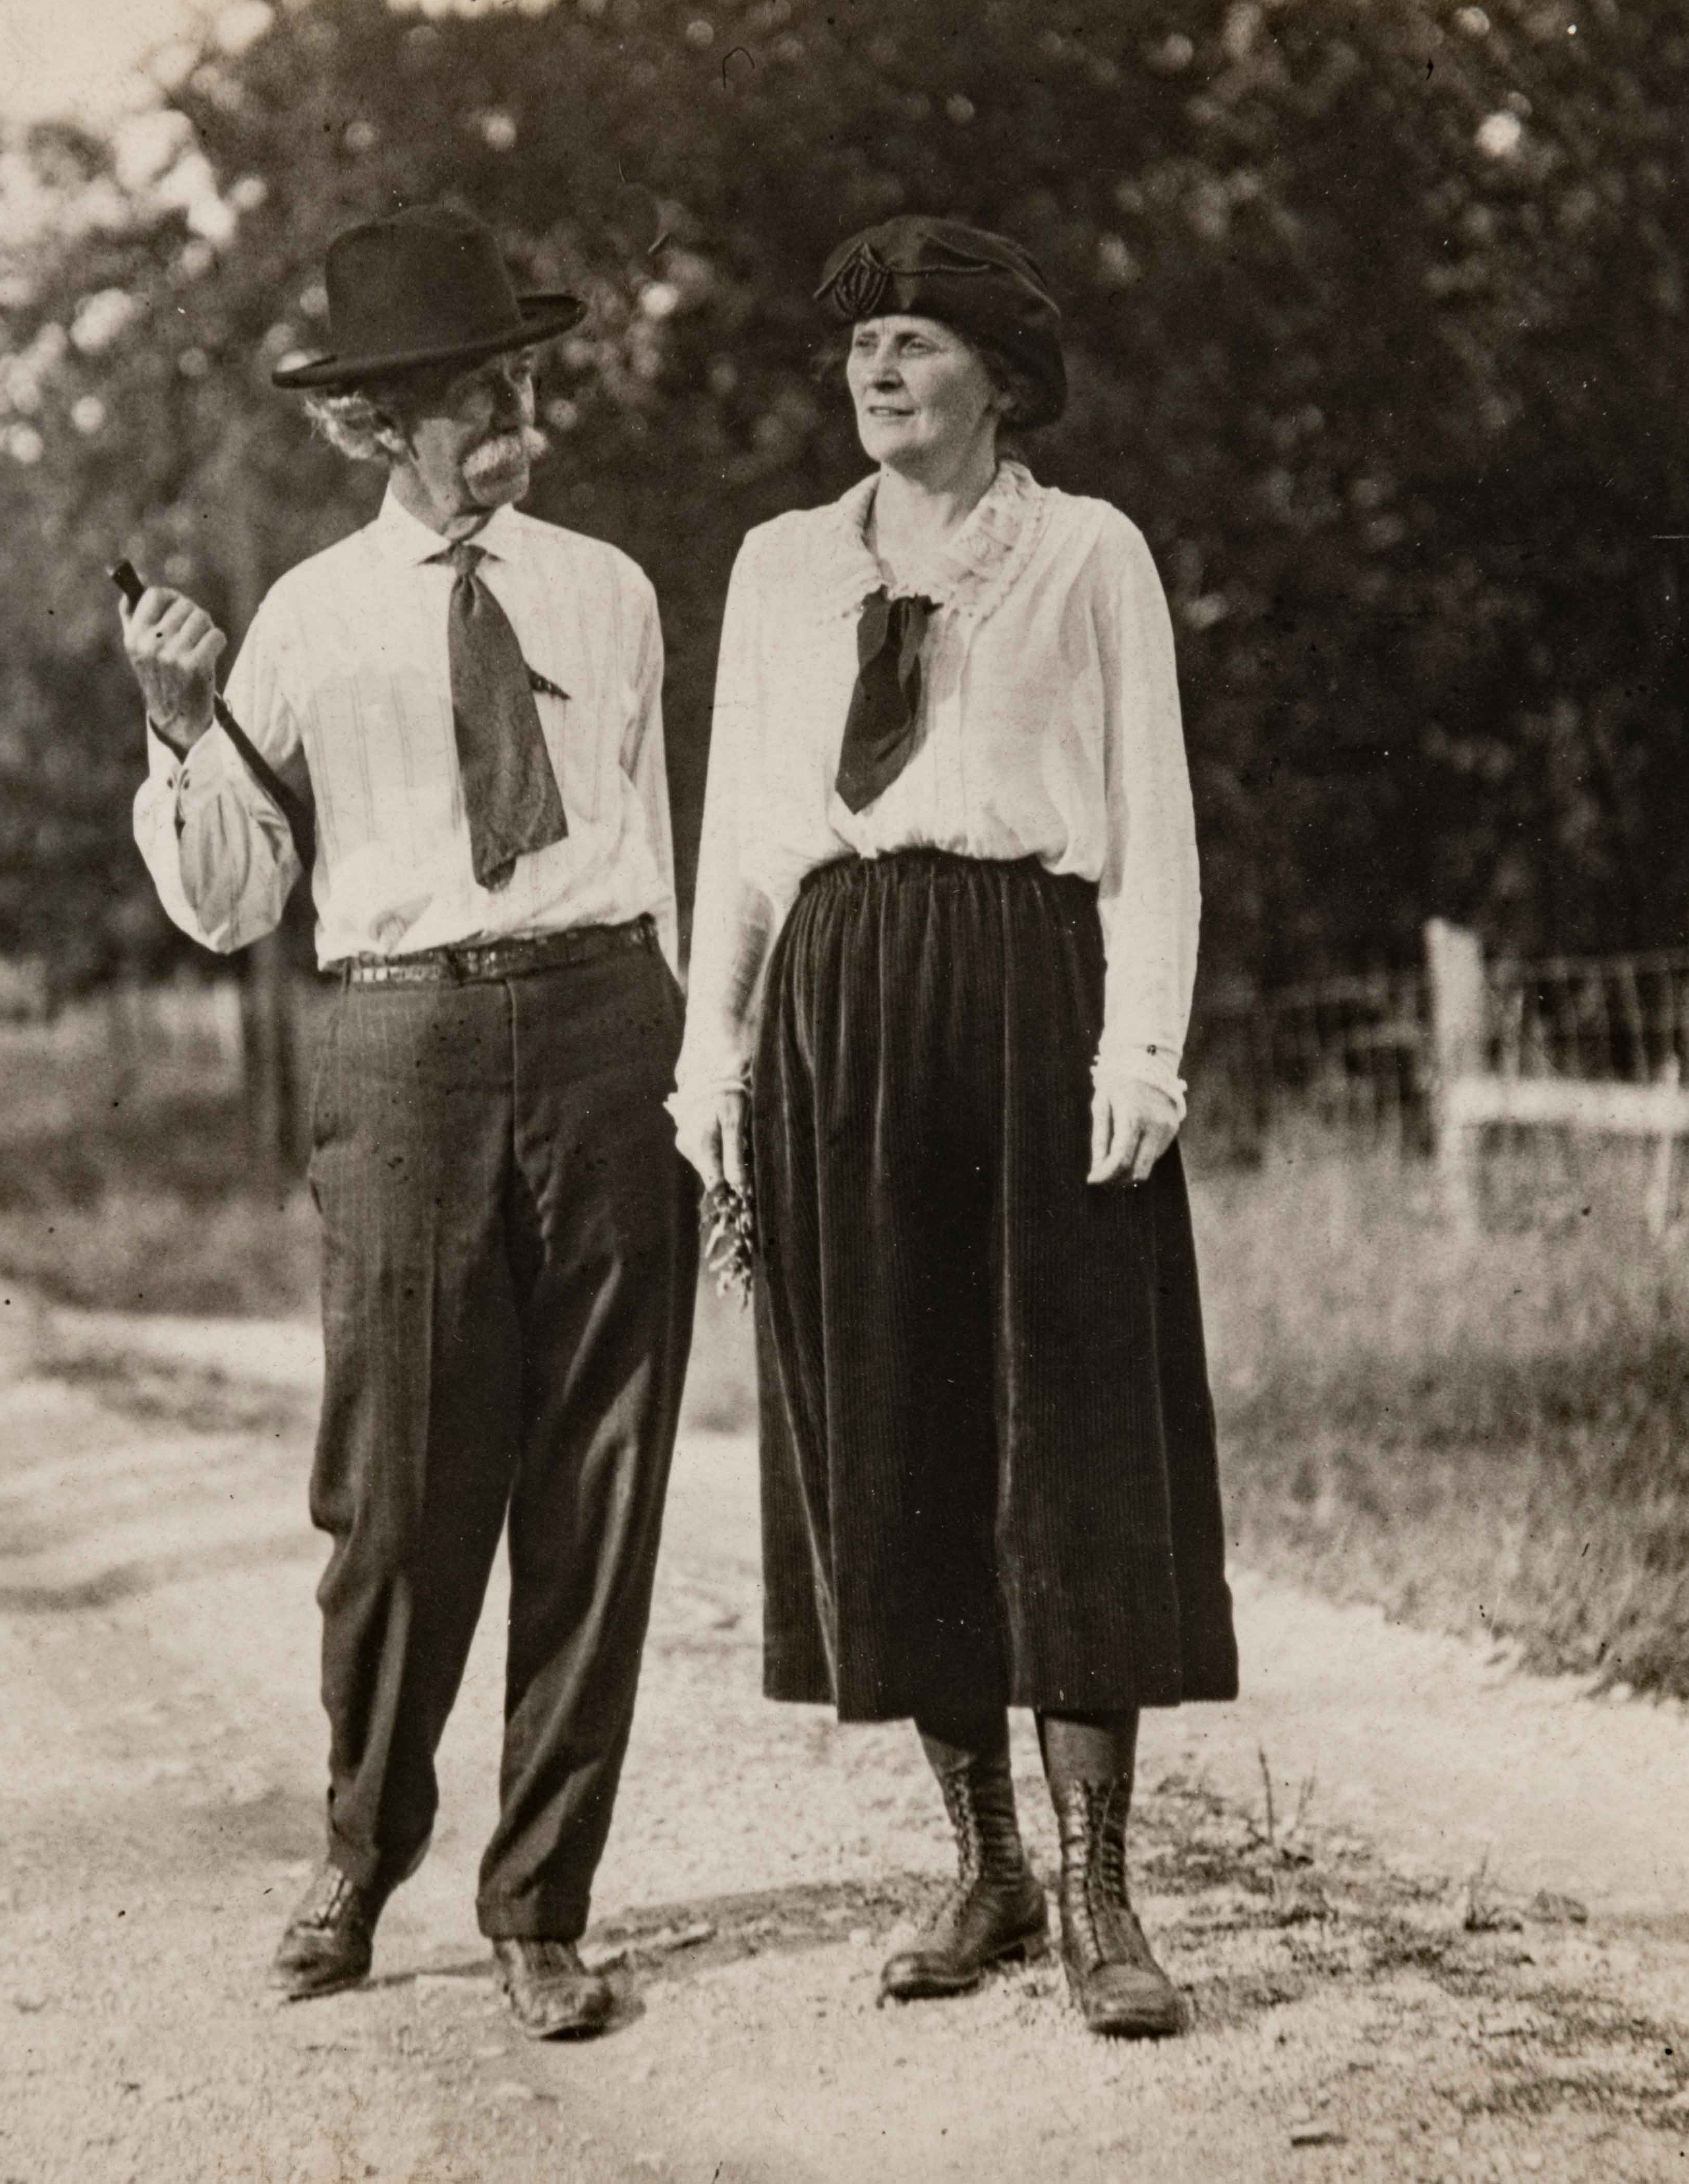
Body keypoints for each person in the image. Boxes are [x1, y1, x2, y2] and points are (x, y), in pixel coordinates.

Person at [117, 203, 695, 2043]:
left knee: (597, 1486)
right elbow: (231, 900)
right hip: (403, 1051)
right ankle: (363, 1853)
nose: (513, 420)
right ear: (373, 426)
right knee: (392, 1498)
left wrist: (702, 1083)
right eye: (468, 395)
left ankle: (542, 1903)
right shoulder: (301, 621)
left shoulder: (606, 589)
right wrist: (183, 732)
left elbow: (660, 852)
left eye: (524, 381)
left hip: (609, 1027)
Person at [669, 214, 1236, 2038]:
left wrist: (1140, 1047)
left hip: (1028, 982)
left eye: (914, 342)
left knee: (1063, 1422)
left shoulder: (1085, 555)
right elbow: (741, 841)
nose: (877, 374)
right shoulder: (775, 569)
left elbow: (1150, 818)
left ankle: (1099, 1891)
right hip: (838, 995)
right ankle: (982, 1857)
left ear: (1000, 373)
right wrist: (714, 1063)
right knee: (894, 1421)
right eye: (858, 348)